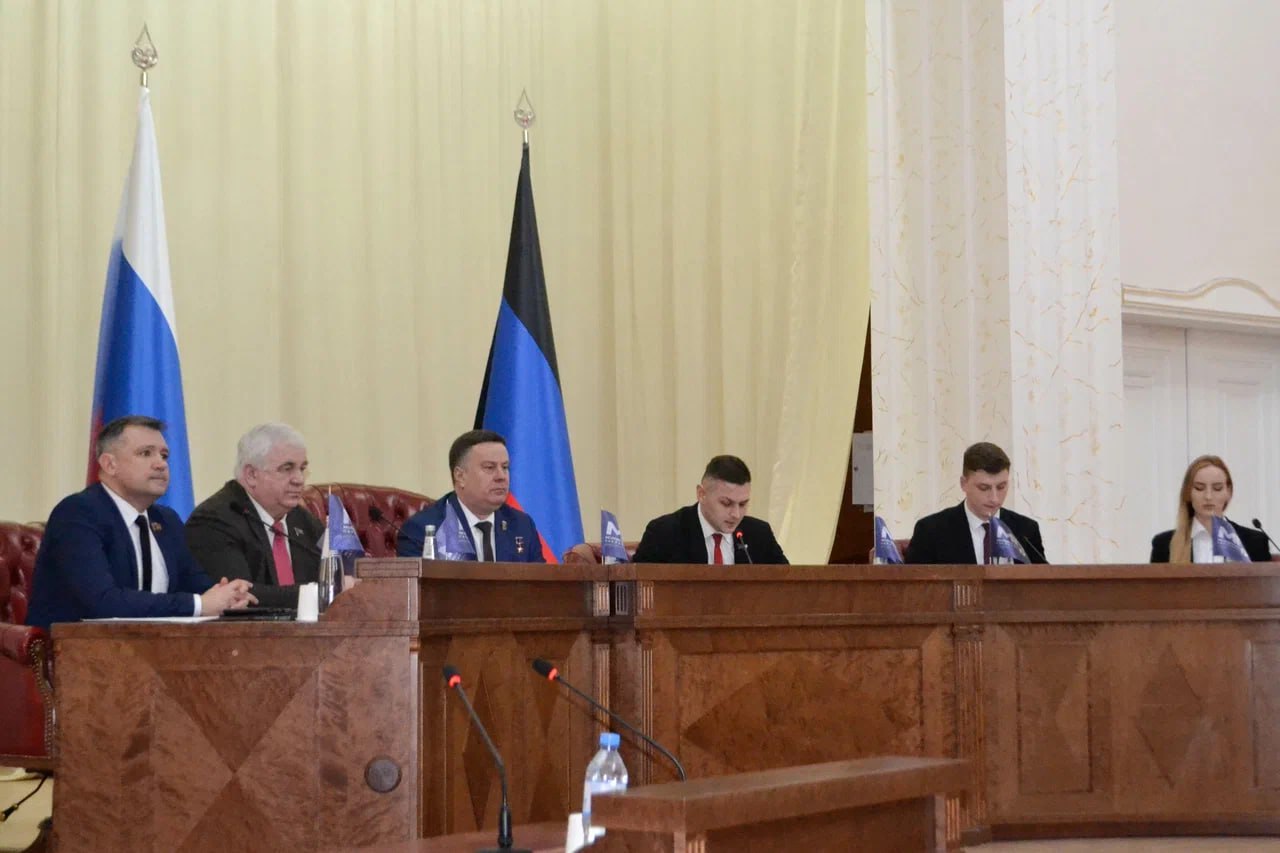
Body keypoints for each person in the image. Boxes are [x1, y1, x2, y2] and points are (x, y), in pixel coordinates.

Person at [26, 416, 255, 630]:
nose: (161, 464)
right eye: (146, 453)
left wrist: (229, 596)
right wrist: (199, 604)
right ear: (109, 464)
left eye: (164, 456)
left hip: (152, 648)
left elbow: (197, 584)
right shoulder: (78, 513)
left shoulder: (166, 520)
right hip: (75, 650)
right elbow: (103, 602)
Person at [185, 423, 325, 608]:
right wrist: (324, 593)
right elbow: (241, 596)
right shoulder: (212, 521)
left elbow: (341, 569)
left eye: (302, 468)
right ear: (251, 475)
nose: (299, 479)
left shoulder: (301, 519)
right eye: (287, 468)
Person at [396, 429, 545, 562]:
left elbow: (540, 582)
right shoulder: (423, 531)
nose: (501, 476)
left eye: (505, 467)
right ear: (460, 476)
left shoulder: (521, 525)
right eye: (489, 467)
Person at [904, 441, 1047, 564]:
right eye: (984, 488)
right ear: (963, 483)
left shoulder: (1026, 531)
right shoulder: (931, 531)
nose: (994, 498)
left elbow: (1043, 583)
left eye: (1001, 487)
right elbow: (913, 586)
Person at [632, 455, 788, 564]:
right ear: (702, 494)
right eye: (726, 503)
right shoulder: (664, 532)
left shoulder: (760, 535)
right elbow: (636, 590)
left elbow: (787, 588)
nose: (736, 514)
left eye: (742, 504)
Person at [1150, 455, 1270, 563]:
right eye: (1199, 488)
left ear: (1228, 492)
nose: (1208, 496)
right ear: (1188, 493)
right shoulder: (1164, 544)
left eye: (1217, 488)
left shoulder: (1255, 542)